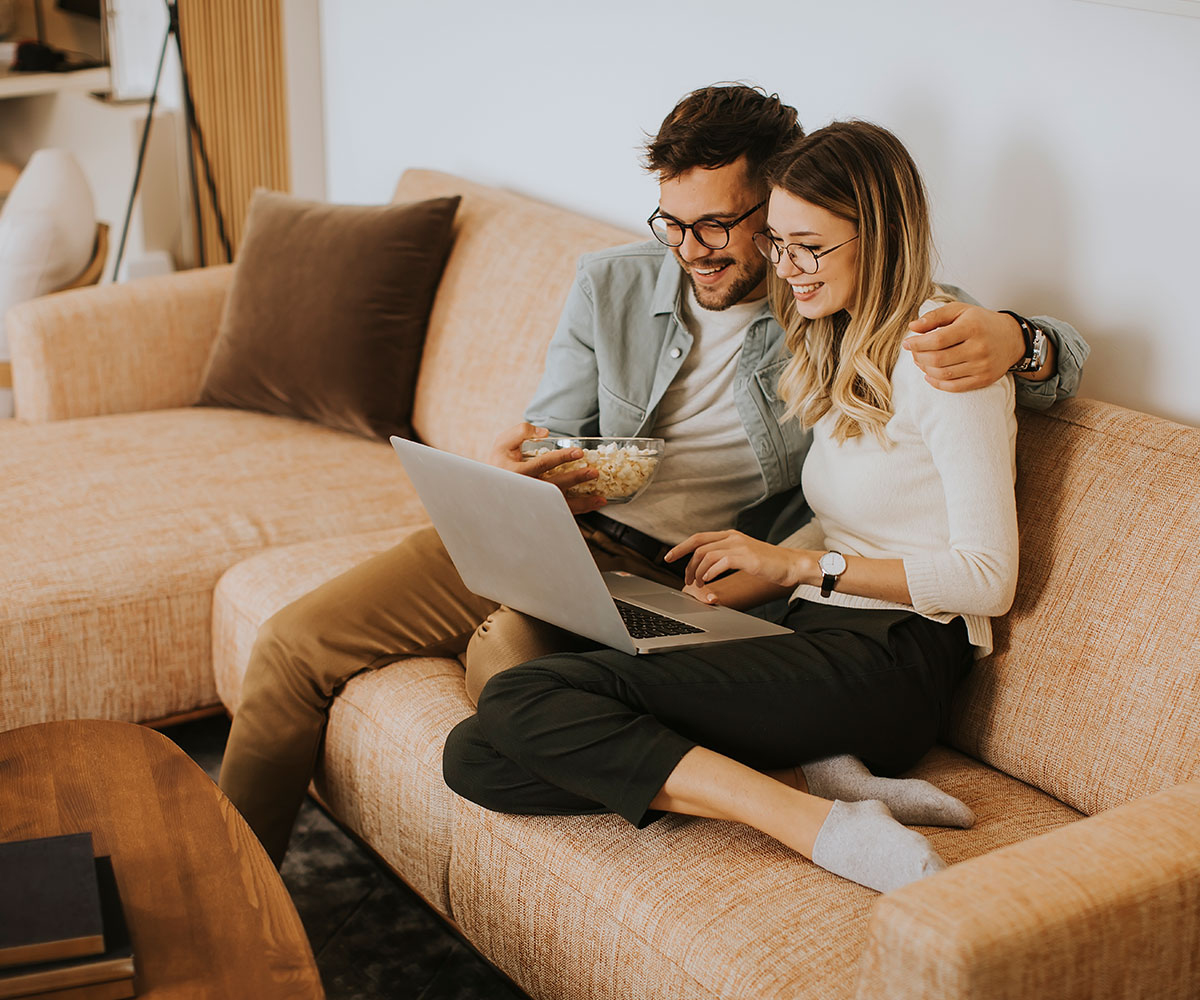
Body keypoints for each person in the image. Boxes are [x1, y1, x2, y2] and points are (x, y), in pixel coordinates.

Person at [218, 85, 1089, 867]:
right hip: (567, 534)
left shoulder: (825, 300)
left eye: (718, 225)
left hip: (688, 581)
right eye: (673, 224)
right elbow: (553, 425)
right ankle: (227, 892)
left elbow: (992, 348)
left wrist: (1020, 336)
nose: (694, 251)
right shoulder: (614, 283)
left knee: (509, 694)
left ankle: (778, 791)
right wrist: (529, 469)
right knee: (296, 644)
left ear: (777, 203)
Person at [442, 119, 1019, 893]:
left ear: (878, 235)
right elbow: (865, 515)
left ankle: (816, 825)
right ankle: (822, 775)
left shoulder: (950, 358)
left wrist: (797, 565)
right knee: (474, 756)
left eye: (809, 246)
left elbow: (988, 580)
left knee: (524, 693)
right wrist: (768, 578)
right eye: (778, 244)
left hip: (895, 658)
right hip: (809, 628)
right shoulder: (837, 344)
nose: (787, 269)